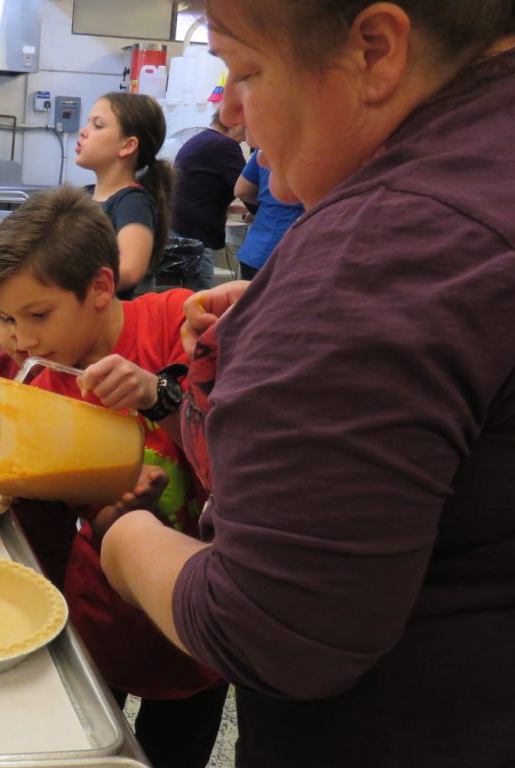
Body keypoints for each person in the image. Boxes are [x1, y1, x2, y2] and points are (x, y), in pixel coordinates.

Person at [96, 2, 515, 765]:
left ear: (375, 51)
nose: (227, 108)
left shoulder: (380, 254)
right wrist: (279, 314)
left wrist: (122, 541)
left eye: (245, 68)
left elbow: (274, 627)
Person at [0, 185, 226, 768]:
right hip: (97, 615)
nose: (24, 339)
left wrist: (158, 395)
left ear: (100, 288)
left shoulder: (179, 324)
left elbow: (244, 446)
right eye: (6, 319)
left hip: (196, 620)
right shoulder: (38, 378)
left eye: (38, 315)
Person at [75, 92, 175, 300]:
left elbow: (129, 269)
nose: (83, 132)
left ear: (128, 145)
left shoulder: (133, 202)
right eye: (88, 123)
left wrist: (67, 290)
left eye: (98, 125)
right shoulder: (84, 196)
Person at [170, 111, 247, 290]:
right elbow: (248, 188)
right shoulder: (226, 145)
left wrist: (231, 209)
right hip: (192, 238)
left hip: (178, 231)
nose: (246, 138)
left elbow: (197, 192)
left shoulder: (200, 140)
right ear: (234, 122)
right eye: (247, 129)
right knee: (200, 298)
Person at [233, 146, 304, 279]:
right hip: (293, 253)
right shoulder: (324, 151)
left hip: (254, 250)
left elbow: (242, 191)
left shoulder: (267, 146)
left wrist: (266, 206)